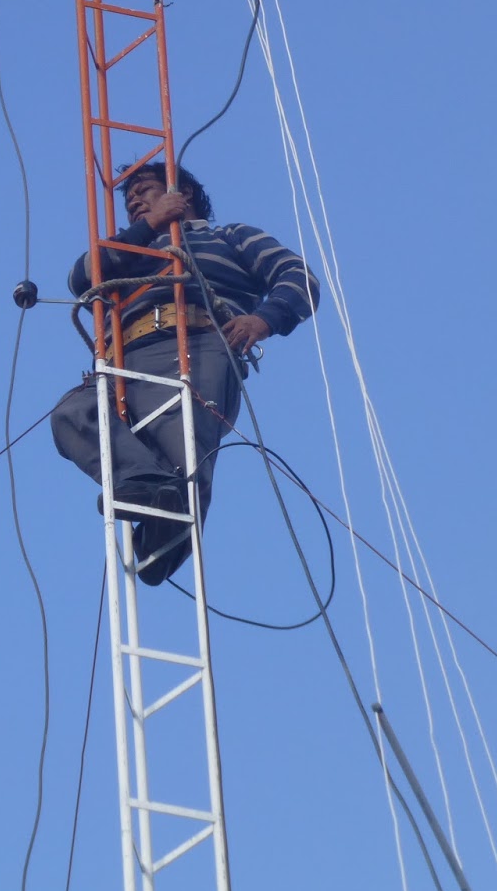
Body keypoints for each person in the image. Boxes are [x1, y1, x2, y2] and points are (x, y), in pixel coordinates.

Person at [50, 162, 319, 585]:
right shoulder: (128, 250)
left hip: (200, 341)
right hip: (127, 354)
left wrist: (263, 320)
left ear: (183, 193)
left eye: (146, 190)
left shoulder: (228, 236)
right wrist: (150, 224)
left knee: (186, 450)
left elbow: (298, 277)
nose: (135, 200)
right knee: (74, 413)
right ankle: (141, 483)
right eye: (130, 197)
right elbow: (81, 277)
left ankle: (164, 535)